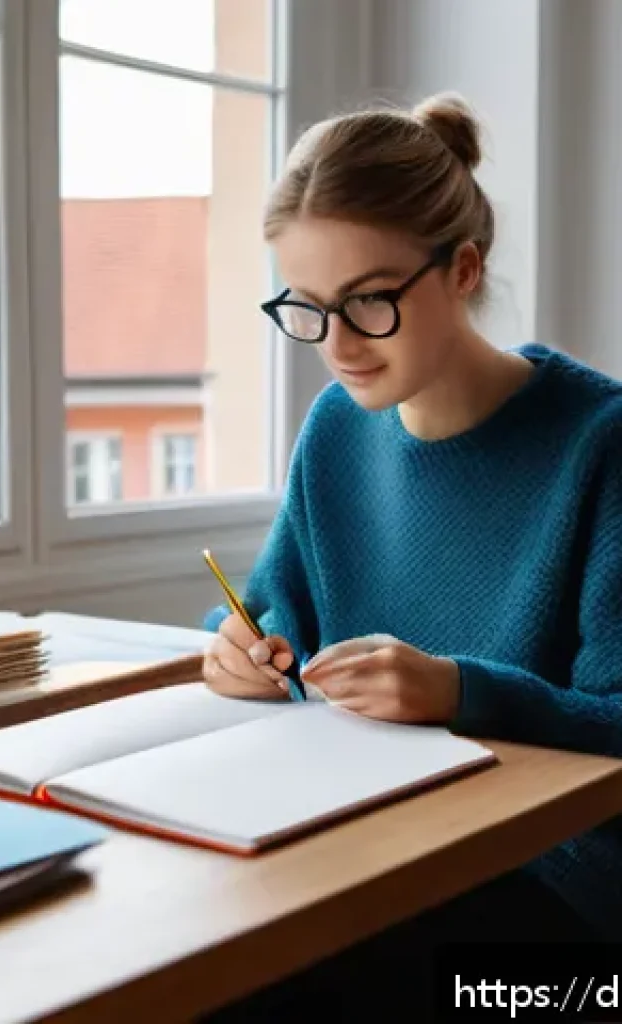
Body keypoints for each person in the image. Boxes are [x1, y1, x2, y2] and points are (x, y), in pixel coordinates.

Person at [200, 90, 622, 1020]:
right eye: (306, 309)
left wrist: (460, 693)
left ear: (463, 268)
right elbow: (274, 612)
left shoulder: (602, 442)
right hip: (374, 850)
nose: (338, 347)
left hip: (573, 924)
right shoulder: (337, 433)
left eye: (370, 302)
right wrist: (238, 646)